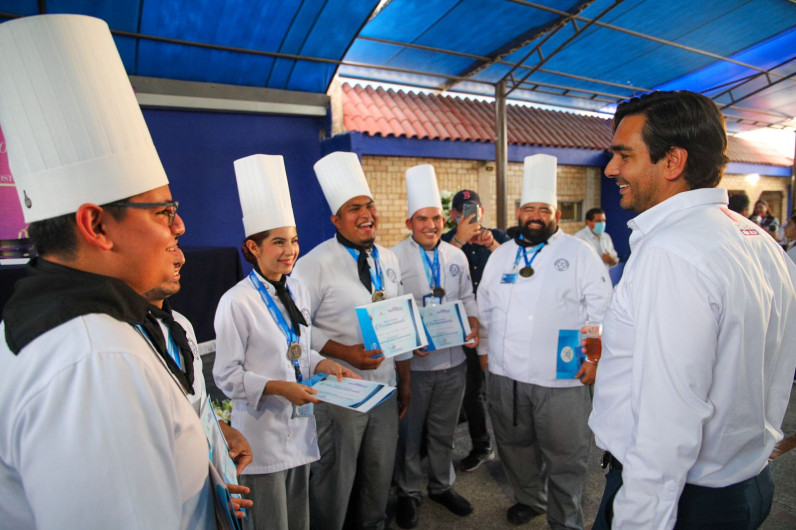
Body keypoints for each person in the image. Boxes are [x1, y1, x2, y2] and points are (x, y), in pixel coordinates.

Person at [0, 14, 216, 528]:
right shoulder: (95, 365)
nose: (180, 226)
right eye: (163, 211)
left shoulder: (58, 324)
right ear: (96, 224)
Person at [590, 90, 796, 529]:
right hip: (747, 484)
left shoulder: (673, 254)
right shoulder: (757, 241)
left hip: (684, 501)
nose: (611, 169)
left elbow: (666, 423)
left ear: (672, 162)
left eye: (624, 155)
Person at [213, 155, 355, 530]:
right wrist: (280, 388)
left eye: (293, 240)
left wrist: (323, 364)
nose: (290, 250)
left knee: (298, 519)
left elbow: (296, 349)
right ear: (253, 248)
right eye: (278, 242)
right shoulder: (236, 302)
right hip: (260, 436)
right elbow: (227, 376)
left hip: (300, 430)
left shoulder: (297, 288)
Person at [478, 154, 612, 529]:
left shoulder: (578, 253)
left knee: (566, 457)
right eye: (528, 208)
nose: (534, 215)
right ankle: (530, 498)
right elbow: (484, 307)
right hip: (506, 376)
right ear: (518, 213)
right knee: (513, 446)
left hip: (561, 377)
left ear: (555, 214)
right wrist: (484, 354)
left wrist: (595, 357)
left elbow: (600, 310)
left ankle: (565, 519)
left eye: (543, 209)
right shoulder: (501, 255)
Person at [292, 151, 412, 530]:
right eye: (354, 208)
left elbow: (398, 322)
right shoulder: (314, 263)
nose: (366, 214)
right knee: (336, 477)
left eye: (369, 205)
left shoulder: (389, 259)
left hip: (385, 388)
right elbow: (298, 327)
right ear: (336, 219)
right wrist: (347, 354)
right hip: (338, 390)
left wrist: (404, 380)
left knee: (378, 473)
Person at [391, 165, 480, 528]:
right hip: (415, 366)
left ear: (445, 220)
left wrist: (472, 324)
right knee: (410, 434)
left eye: (436, 218)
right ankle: (409, 493)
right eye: (422, 218)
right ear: (409, 221)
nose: (430, 225)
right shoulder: (392, 258)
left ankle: (442, 486)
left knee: (444, 431)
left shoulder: (457, 256)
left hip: (454, 361)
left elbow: (467, 297)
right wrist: (410, 340)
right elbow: (393, 311)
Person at [143, 247, 254, 518]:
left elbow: (196, 401)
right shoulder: (123, 342)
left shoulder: (180, 324)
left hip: (210, 485)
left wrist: (223, 429)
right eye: (167, 248)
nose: (181, 258)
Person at [441, 189, 509, 471]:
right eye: (463, 210)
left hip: (499, 325)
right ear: (454, 215)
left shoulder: (500, 239)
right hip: (465, 326)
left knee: (504, 391)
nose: (470, 215)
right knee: (472, 391)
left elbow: (516, 266)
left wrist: (492, 244)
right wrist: (458, 240)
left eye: (474, 209)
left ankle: (515, 452)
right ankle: (482, 446)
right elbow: (436, 272)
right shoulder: (446, 242)